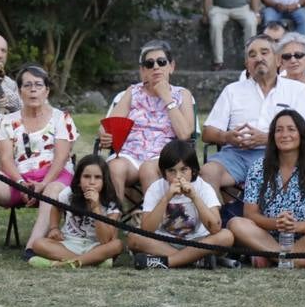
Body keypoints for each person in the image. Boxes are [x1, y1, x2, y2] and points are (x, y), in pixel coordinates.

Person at [0, 65, 76, 252]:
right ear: (20, 92)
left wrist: (42, 184)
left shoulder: (62, 118)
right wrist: (20, 183)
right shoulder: (8, 121)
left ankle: (32, 246)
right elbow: (5, 159)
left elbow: (61, 158)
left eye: (38, 85)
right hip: (18, 179)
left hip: (54, 177)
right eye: (27, 85)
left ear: (47, 91)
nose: (33, 89)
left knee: (52, 192)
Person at [228, 110, 305, 268]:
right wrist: (277, 224)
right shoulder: (258, 167)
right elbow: (250, 214)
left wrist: (296, 226)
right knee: (235, 223)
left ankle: (272, 257)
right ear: (272, 136)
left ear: (301, 135)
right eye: (279, 130)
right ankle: (297, 260)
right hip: (266, 236)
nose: (284, 134)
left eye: (291, 129)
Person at [200, 34, 305, 194]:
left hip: (279, 155)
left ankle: (252, 215)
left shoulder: (296, 90)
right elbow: (207, 133)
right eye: (252, 55)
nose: (258, 58)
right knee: (208, 173)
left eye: (264, 52)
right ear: (247, 64)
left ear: (278, 60)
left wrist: (268, 138)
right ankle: (217, 218)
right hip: (236, 156)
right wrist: (227, 138)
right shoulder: (232, 90)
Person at [100, 41, 193, 202]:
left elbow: (185, 134)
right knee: (115, 167)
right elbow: (108, 126)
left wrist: (166, 97)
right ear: (143, 71)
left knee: (148, 169)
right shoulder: (133, 92)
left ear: (171, 67)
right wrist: (105, 135)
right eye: (149, 64)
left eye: (161, 62)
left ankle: (151, 224)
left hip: (163, 156)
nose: (155, 67)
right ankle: (111, 221)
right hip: (129, 154)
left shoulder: (182, 94)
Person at [128, 138, 233, 269]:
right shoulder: (156, 188)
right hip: (165, 242)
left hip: (198, 242)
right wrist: (166, 198)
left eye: (184, 170)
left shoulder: (203, 187)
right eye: (172, 171)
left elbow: (215, 228)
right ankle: (195, 261)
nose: (178, 176)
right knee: (134, 238)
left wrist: (194, 197)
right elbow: (147, 229)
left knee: (226, 236)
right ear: (164, 173)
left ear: (193, 170)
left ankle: (168, 262)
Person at [27, 154, 123, 267]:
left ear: (105, 180)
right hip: (69, 243)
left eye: (97, 177)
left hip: (95, 246)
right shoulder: (68, 194)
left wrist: (96, 207)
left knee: (117, 245)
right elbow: (56, 208)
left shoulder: (111, 202)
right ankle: (90, 262)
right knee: (38, 244)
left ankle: (60, 264)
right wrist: (54, 228)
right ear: (78, 179)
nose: (92, 182)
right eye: (86, 176)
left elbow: (105, 240)